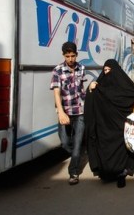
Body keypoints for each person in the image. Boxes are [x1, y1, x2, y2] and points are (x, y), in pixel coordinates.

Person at [84, 59, 134, 188]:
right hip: (104, 126)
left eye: (110, 70)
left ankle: (121, 173)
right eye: (105, 70)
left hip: (121, 126)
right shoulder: (98, 86)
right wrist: (90, 90)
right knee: (105, 150)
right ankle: (107, 173)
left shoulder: (125, 85)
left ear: (117, 72)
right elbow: (91, 100)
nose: (107, 73)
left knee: (122, 151)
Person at [50, 41, 86, 185]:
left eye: (73, 56)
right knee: (65, 143)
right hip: (65, 112)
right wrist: (60, 112)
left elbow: (82, 88)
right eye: (67, 56)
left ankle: (74, 172)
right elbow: (56, 93)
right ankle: (77, 155)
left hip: (80, 112)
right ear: (63, 55)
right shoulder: (57, 70)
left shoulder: (81, 68)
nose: (70, 59)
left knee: (77, 145)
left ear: (76, 55)